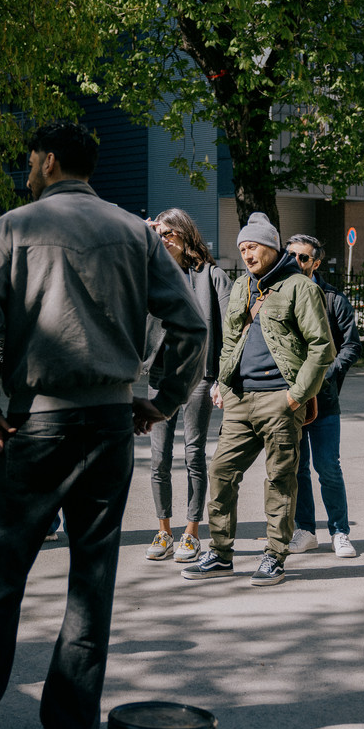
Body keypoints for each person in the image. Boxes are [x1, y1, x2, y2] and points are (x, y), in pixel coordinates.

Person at [0, 119, 205, 729]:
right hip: (109, 423)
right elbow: (189, 326)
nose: (28, 169)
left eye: (30, 160)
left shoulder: (15, 228)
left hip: (37, 420)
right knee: (91, 579)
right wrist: (159, 400)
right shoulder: (136, 233)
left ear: (47, 162)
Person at [182, 212, 335, 587]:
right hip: (239, 399)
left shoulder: (300, 287)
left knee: (279, 480)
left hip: (280, 401)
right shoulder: (240, 287)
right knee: (221, 473)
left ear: (270, 246)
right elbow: (230, 339)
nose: (246, 254)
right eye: (242, 248)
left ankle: (274, 556)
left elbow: (322, 348)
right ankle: (219, 553)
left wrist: (297, 396)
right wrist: (223, 382)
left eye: (252, 246)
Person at [140, 208, 232, 563]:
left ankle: (191, 532)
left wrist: (222, 379)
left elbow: (228, 331)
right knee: (159, 459)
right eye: (158, 235)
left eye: (168, 234)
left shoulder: (212, 277)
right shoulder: (154, 275)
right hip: (160, 375)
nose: (162, 241)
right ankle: (163, 529)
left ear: (184, 235)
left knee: (194, 453)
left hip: (199, 376)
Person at [285, 233, 362, 558]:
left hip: (324, 401)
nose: (295, 263)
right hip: (290, 399)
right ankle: (305, 530)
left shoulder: (332, 298)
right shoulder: (279, 295)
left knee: (328, 467)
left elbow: (352, 346)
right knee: (297, 468)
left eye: (302, 258)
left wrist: (325, 375)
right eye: (291, 256)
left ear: (315, 262)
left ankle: (340, 532)